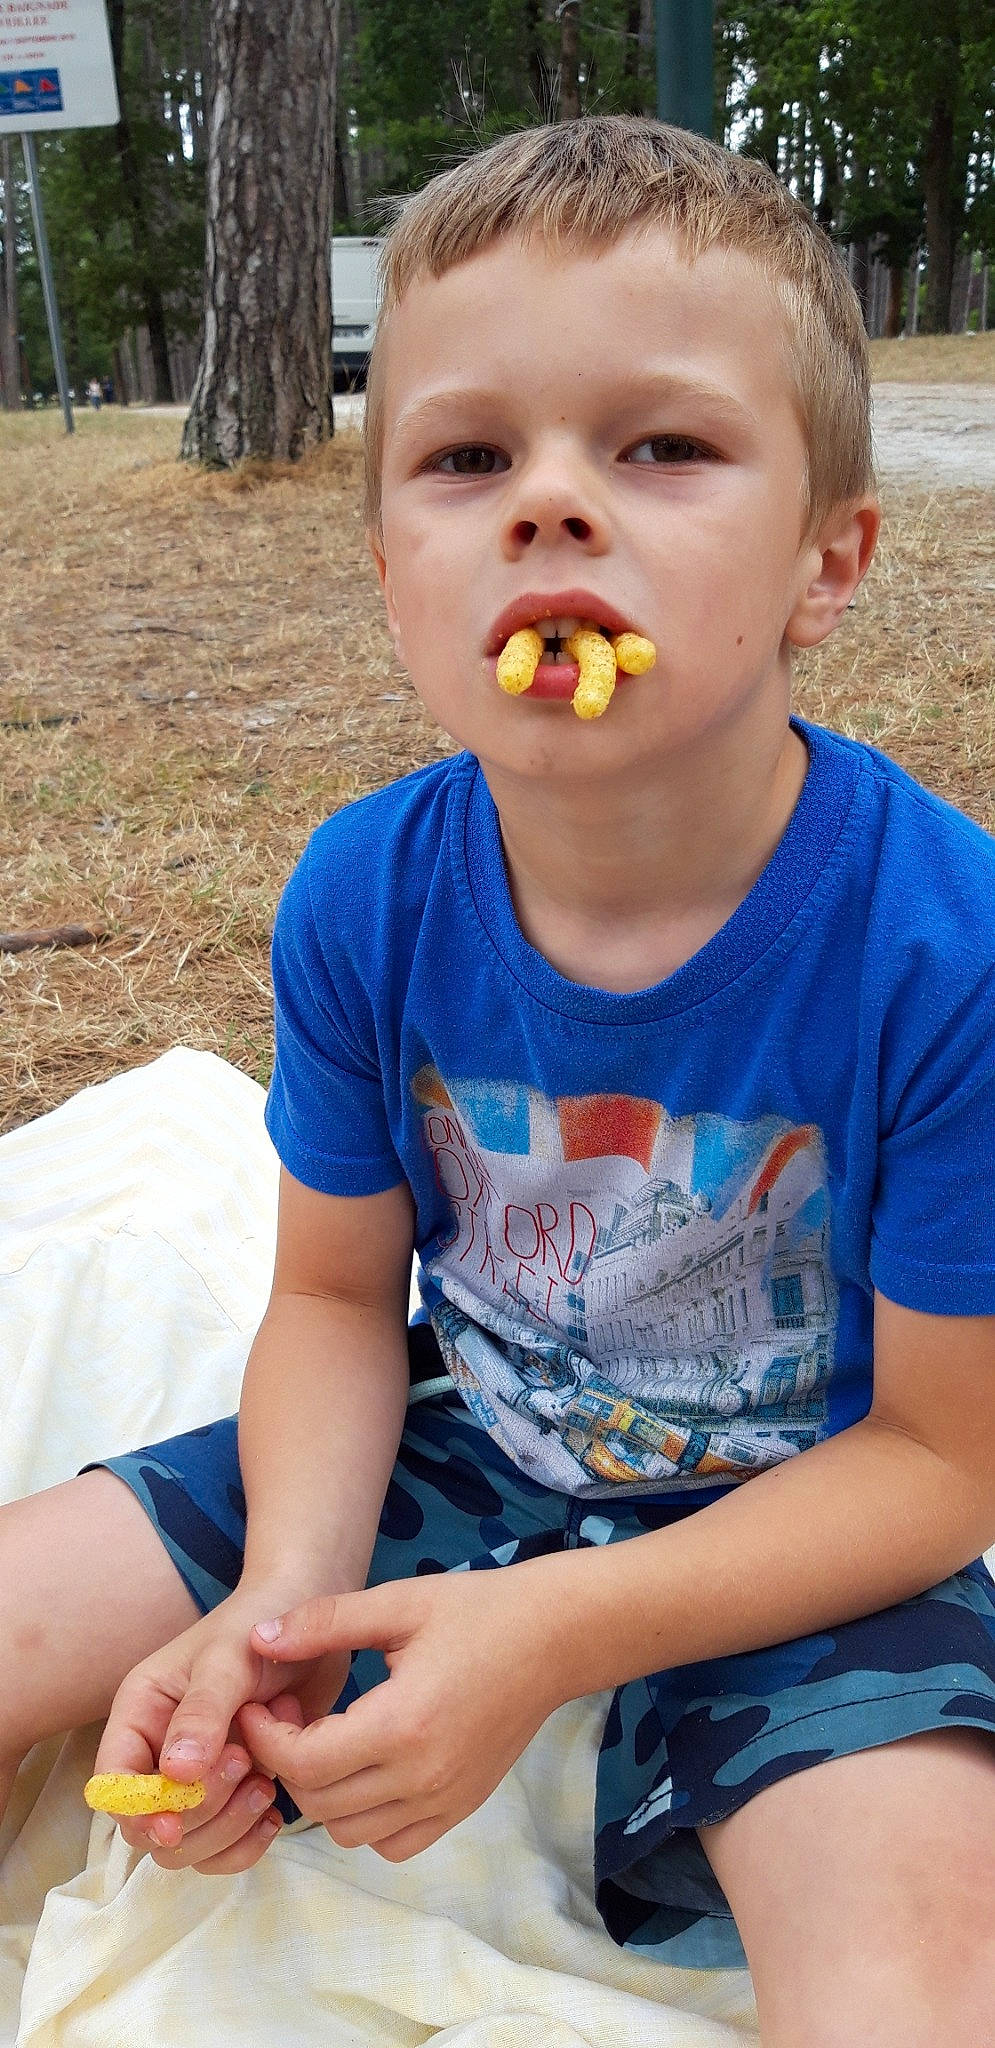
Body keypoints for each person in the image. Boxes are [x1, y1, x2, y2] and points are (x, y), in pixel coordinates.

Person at [3, 117, 995, 2044]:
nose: (551, 506)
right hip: (469, 1447)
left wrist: (544, 1640)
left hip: (810, 1534)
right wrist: (284, 1617)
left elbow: (946, 1461)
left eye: (662, 446)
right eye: (470, 459)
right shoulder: (368, 895)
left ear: (828, 559)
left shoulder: (945, 951)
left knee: (917, 1978)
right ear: (394, 577)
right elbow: (325, 1299)